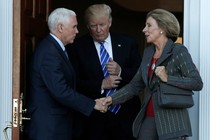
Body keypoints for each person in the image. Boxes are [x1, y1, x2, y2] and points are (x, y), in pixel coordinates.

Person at [102, 9, 203, 140]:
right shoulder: (148, 52)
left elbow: (197, 82)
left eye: (149, 25)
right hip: (149, 117)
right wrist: (111, 99)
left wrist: (168, 78)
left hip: (172, 122)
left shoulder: (178, 51)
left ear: (162, 28)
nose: (144, 30)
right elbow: (135, 85)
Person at [25, 8, 107, 140]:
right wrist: (92, 104)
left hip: (56, 125)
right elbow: (60, 90)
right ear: (60, 27)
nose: (77, 31)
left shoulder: (55, 48)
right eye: (74, 27)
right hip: (49, 128)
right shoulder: (49, 53)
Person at [66, 3, 142, 140]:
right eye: (93, 26)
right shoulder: (77, 47)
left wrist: (121, 71)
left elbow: (141, 77)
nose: (98, 30)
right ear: (88, 26)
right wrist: (101, 84)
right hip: (93, 118)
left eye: (102, 24)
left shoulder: (127, 43)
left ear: (110, 22)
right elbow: (73, 82)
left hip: (126, 114)